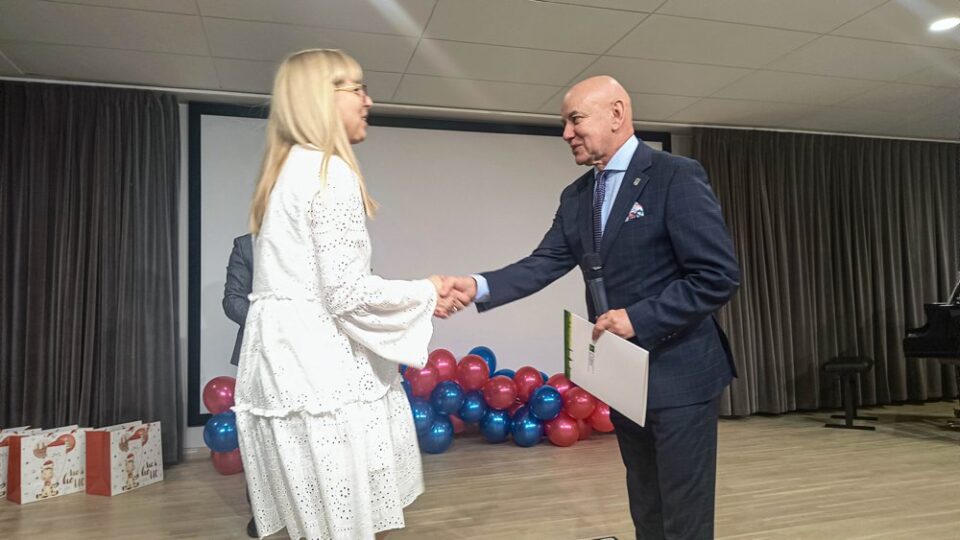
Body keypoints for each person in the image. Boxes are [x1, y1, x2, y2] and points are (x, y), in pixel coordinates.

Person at [448, 76, 740, 540]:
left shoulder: (675, 176)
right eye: (565, 123)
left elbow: (717, 276)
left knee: (685, 512)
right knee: (646, 502)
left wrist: (638, 318)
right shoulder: (577, 196)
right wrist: (478, 286)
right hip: (622, 376)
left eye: (575, 119)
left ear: (617, 114)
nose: (566, 133)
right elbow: (543, 263)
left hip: (681, 374)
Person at [232, 49, 464, 540]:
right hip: (321, 377)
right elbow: (347, 294)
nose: (368, 101)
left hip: (280, 372)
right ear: (322, 97)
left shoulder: (283, 174)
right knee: (346, 523)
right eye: (357, 89)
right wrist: (427, 291)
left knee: (313, 522)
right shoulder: (329, 172)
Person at [221, 232, 258, 538]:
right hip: (259, 353)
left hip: (310, 355)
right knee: (258, 435)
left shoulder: (318, 236)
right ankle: (262, 512)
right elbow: (232, 300)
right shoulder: (247, 245)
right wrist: (271, 322)